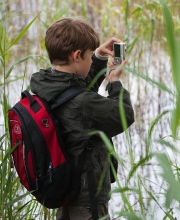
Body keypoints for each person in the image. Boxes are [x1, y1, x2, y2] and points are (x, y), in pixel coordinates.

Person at [30, 17, 135, 220]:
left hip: (64, 181)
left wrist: (96, 58)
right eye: (88, 57)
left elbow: (74, 93)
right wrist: (114, 82)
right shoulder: (82, 103)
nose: (90, 60)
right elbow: (124, 115)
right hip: (88, 192)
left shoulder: (45, 83)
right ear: (77, 55)